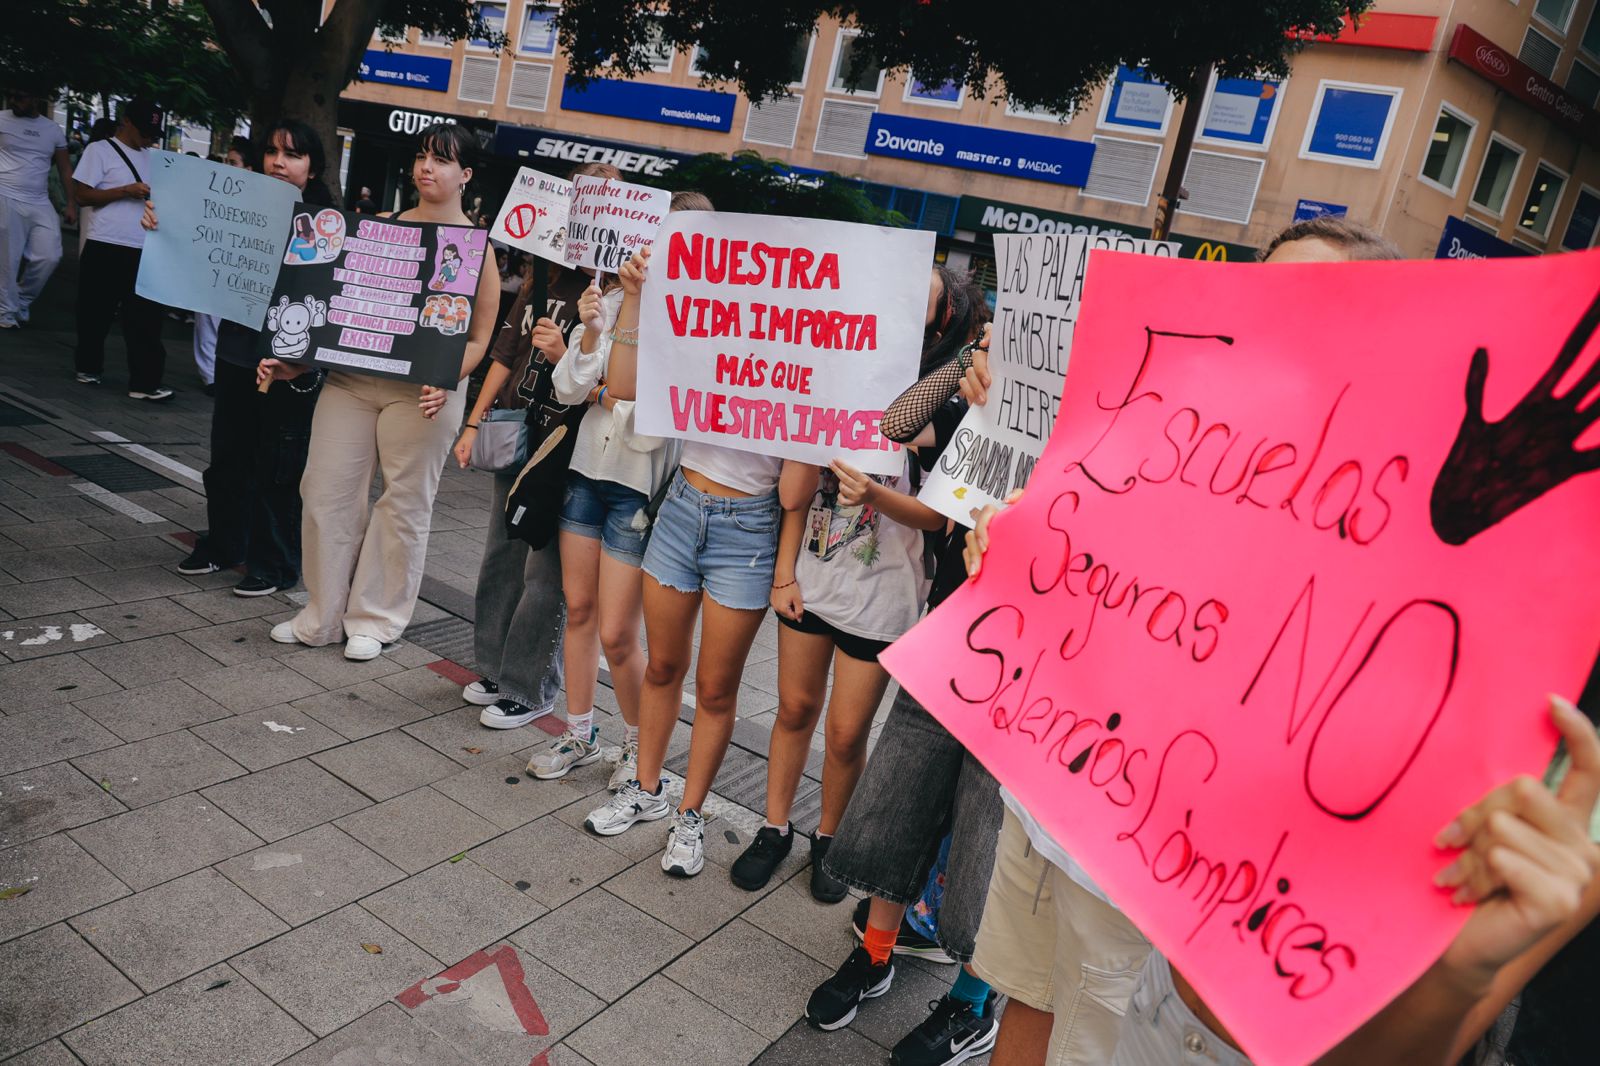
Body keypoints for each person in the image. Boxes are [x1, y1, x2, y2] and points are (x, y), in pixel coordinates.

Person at [799, 267, 1005, 1066]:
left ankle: (973, 1000)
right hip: (954, 625)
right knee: (902, 788)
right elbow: (898, 420)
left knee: (991, 827)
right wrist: (971, 358)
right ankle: (877, 954)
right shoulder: (986, 403)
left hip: (1040, 659)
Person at [582, 239, 815, 881]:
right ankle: (648, 789)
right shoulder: (708, 333)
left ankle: (690, 816)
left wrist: (812, 421)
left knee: (714, 688)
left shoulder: (810, 363)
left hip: (750, 526)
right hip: (683, 506)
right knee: (663, 666)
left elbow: (795, 493)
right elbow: (624, 383)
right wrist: (634, 296)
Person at [261, 122, 497, 660]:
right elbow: (334, 316)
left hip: (422, 393)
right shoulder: (376, 226)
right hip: (351, 382)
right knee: (324, 492)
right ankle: (320, 614)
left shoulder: (474, 248)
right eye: (421, 156)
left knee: (404, 504)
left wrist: (448, 375)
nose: (426, 168)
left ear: (466, 174)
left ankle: (376, 618)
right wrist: (295, 362)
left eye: (441, 160)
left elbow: (480, 334)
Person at [523, 193, 701, 784]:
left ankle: (635, 745)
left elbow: (652, 420)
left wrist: (608, 393)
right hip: (583, 475)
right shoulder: (611, 298)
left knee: (618, 633)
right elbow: (568, 387)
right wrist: (594, 331)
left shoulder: (694, 318)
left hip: (637, 489)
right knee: (577, 610)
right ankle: (579, 735)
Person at [730, 423, 943, 901]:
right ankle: (774, 827)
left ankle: (830, 838)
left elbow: (934, 516)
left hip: (884, 599)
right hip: (811, 583)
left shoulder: (935, 410)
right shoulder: (833, 393)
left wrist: (871, 492)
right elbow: (793, 495)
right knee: (794, 709)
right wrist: (784, 573)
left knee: (847, 734)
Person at [452, 162, 618, 730]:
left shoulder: (615, 293)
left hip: (567, 443)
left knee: (546, 573)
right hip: (518, 430)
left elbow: (613, 382)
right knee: (502, 555)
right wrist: (473, 424)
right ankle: (495, 668)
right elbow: (503, 353)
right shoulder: (542, 275)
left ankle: (529, 687)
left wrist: (562, 355)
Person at [161, 123, 331, 599]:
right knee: (228, 458)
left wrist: (302, 361)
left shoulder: (326, 223)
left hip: (293, 363)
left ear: (312, 167)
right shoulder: (235, 207)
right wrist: (162, 222)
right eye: (272, 152)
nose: (279, 162)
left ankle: (275, 563)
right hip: (237, 352)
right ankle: (224, 544)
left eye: (293, 155)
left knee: (278, 464)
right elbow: (191, 240)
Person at [70, 96, 170, 401]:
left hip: (143, 247)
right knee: (94, 312)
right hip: (106, 243)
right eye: (144, 132)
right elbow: (82, 196)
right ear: (126, 122)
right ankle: (88, 367)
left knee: (146, 319)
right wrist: (124, 191)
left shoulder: (155, 158)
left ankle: (145, 382)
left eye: (154, 134)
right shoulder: (99, 151)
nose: (149, 139)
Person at [0, 88, 74, 329]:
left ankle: (22, 299)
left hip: (39, 200)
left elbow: (64, 170)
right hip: (6, 195)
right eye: (11, 96)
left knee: (50, 255)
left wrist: (71, 203)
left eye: (19, 96)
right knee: (8, 260)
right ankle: (5, 311)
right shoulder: (1, 119)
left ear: (35, 98)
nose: (14, 100)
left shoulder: (52, 130)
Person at [191, 136, 256, 398]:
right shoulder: (217, 189)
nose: (227, 166)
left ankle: (220, 372)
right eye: (227, 161)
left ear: (249, 169)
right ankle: (210, 376)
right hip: (213, 261)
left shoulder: (258, 198)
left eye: (234, 162)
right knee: (207, 318)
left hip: (238, 268)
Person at [75, 118, 116, 256]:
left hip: (89, 203)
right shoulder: (100, 149)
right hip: (96, 199)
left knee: (85, 237)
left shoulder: (91, 148)